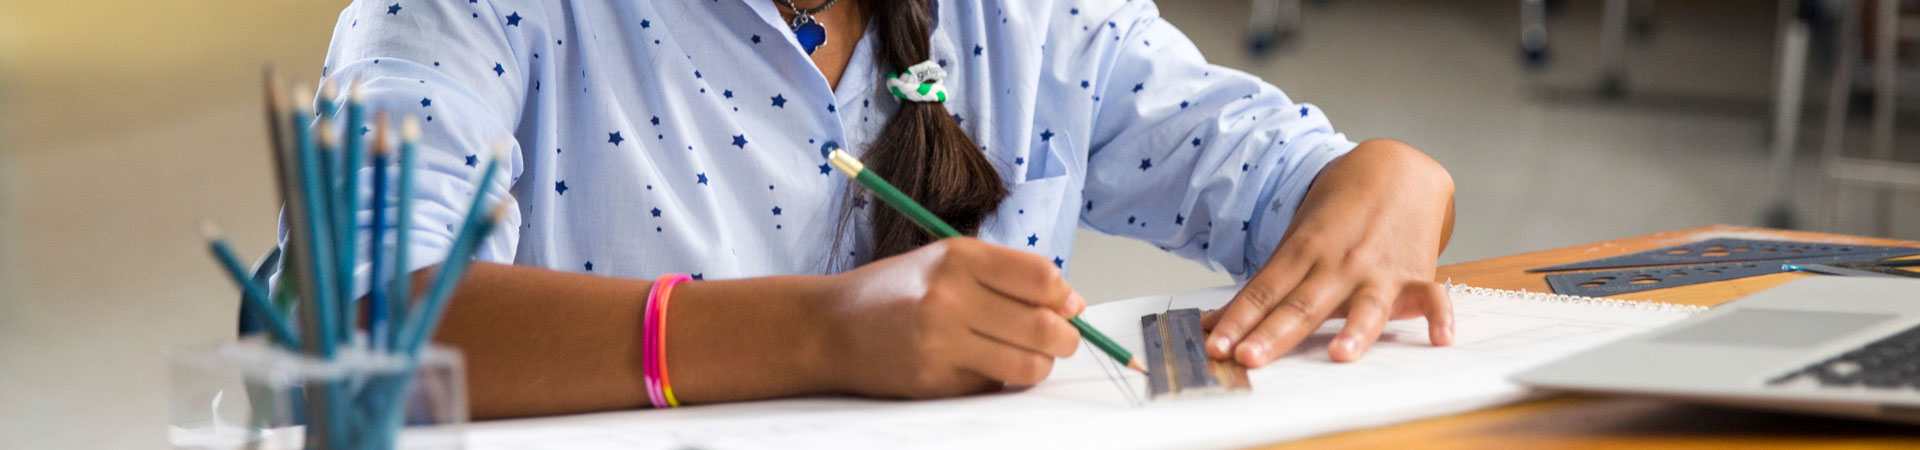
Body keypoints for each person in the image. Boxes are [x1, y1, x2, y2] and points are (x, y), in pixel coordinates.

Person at [309, 0, 1456, 419]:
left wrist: (1393, 181)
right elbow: (367, 321)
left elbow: (1286, 178)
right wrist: (820, 331)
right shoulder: (467, 13)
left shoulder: (1029, 17)